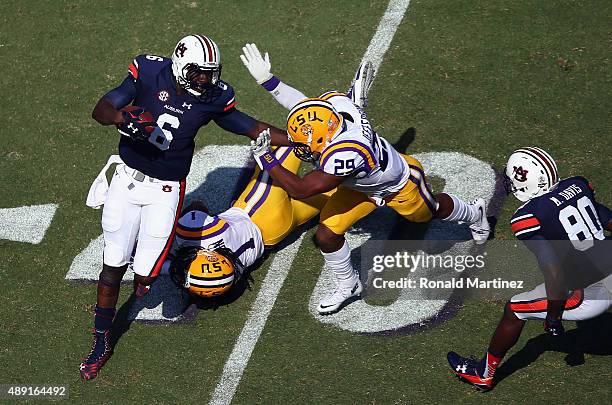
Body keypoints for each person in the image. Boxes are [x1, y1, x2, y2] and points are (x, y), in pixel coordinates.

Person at [80, 34, 290, 381]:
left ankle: (147, 266)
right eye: (199, 73)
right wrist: (121, 118)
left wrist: (296, 138)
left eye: (211, 73)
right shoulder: (148, 72)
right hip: (127, 182)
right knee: (112, 265)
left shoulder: (213, 99)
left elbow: (249, 126)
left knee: (146, 275)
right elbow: (101, 109)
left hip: (166, 190)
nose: (206, 81)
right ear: (180, 66)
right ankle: (101, 339)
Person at [240, 43, 491, 315]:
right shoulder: (336, 109)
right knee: (325, 235)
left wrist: (266, 157)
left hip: (398, 184)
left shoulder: (345, 153)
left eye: (304, 144)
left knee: (428, 213)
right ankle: (349, 284)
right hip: (358, 186)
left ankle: (473, 213)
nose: (299, 148)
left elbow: (301, 189)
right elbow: (302, 106)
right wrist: (269, 81)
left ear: (325, 138)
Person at [447, 147, 612, 391]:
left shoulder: (527, 216)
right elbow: (606, 218)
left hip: (592, 292)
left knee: (515, 309)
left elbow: (554, 273)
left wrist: (553, 318)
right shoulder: (577, 184)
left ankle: (483, 374)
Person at [167, 145, 330, 299]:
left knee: (336, 193)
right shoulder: (202, 234)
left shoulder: (226, 278)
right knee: (288, 142)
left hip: (274, 236)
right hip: (259, 210)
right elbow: (197, 206)